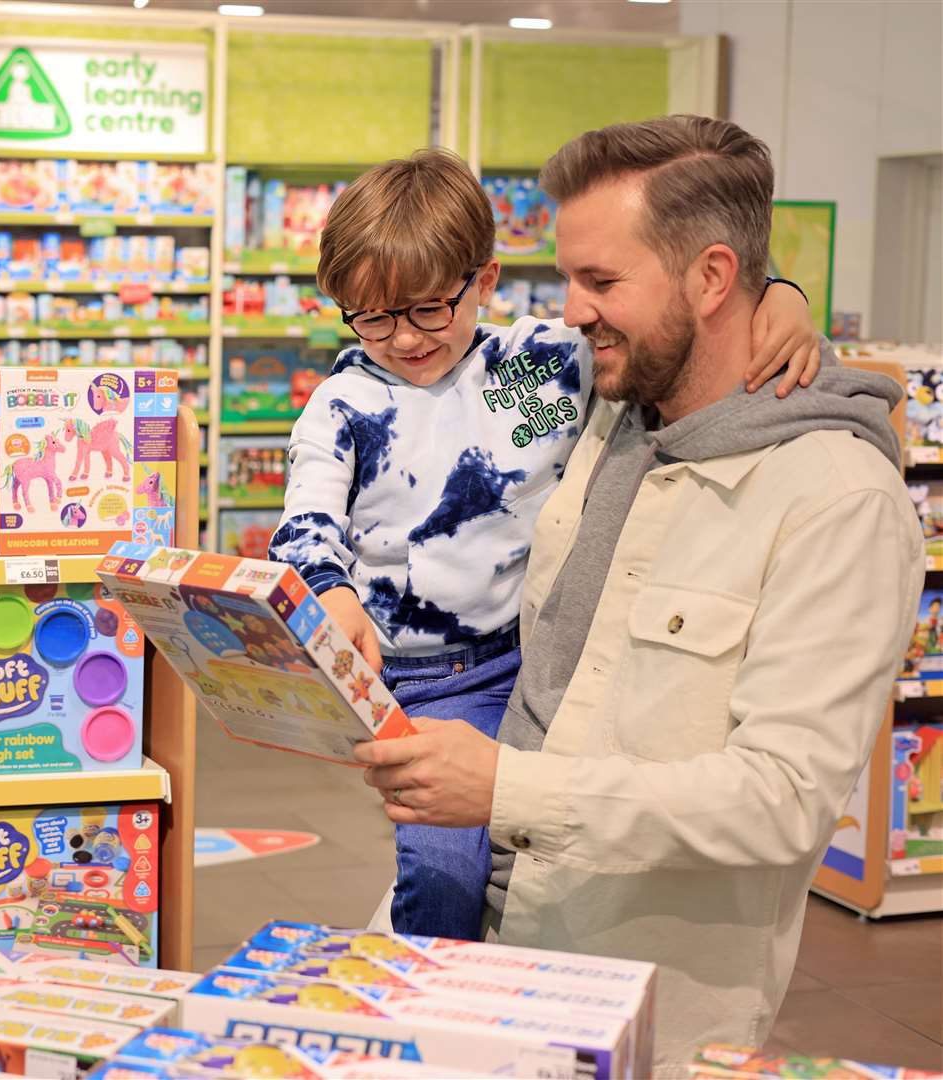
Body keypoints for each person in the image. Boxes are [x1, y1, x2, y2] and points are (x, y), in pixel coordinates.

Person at [352, 115, 924, 1072]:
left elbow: (783, 799)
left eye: (601, 282)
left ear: (708, 278)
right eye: (569, 279)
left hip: (625, 991)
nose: (571, 312)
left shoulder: (836, 502)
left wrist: (503, 788)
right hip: (462, 931)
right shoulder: (605, 410)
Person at [267, 148, 823, 941]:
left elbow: (666, 333)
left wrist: (782, 299)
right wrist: (330, 590)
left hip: (537, 655)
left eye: (427, 308)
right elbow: (306, 522)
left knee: (549, 844)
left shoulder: (539, 363)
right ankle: (427, 989)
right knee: (445, 864)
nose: (404, 337)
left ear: (483, 283)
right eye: (372, 317)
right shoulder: (342, 406)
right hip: (419, 680)